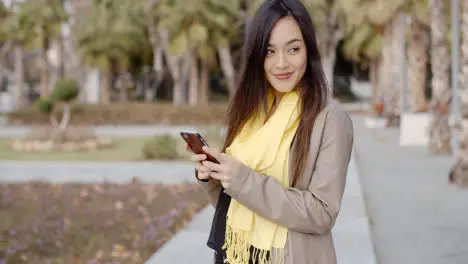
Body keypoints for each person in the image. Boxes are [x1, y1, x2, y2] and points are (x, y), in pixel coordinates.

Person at [184, 0, 354, 263]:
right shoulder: (249, 111)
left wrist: (242, 180)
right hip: (235, 253)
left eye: (293, 49)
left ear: (309, 49)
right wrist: (213, 176)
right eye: (269, 52)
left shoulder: (330, 118)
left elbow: (322, 213)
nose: (282, 63)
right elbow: (234, 205)